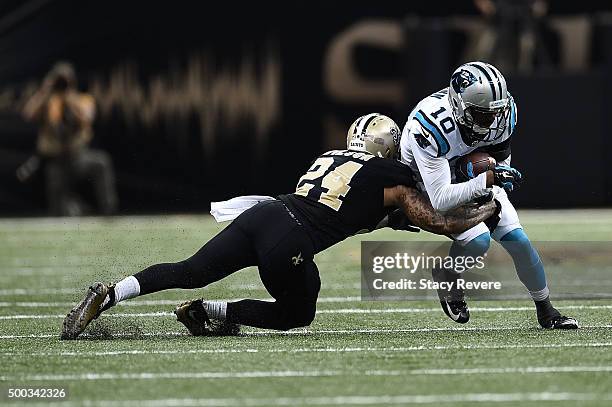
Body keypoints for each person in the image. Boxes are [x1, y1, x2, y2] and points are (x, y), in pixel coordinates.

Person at [61, 113, 499, 339]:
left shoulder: (328, 157)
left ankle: (110, 292)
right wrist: (483, 209)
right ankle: (208, 313)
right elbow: (434, 220)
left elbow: (354, 206)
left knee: (188, 269)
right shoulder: (391, 177)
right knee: (299, 312)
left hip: (265, 214)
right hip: (290, 237)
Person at [400, 61, 577, 329]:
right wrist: (484, 178)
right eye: (483, 115)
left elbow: (501, 163)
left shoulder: (502, 115)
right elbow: (440, 198)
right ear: (460, 107)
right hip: (425, 184)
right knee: (479, 241)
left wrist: (495, 177)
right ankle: (447, 272)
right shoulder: (430, 126)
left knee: (519, 241)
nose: (492, 121)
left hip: (473, 178)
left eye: (496, 113)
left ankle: (546, 311)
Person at [22, 62, 117, 216]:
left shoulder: (82, 99)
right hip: (56, 162)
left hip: (78, 157)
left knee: (102, 162)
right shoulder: (48, 102)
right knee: (59, 211)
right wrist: (46, 90)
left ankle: (108, 209)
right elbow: (28, 114)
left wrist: (69, 96)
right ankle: (76, 208)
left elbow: (87, 117)